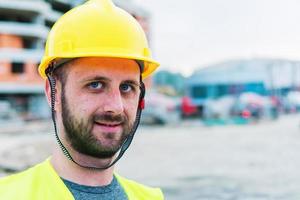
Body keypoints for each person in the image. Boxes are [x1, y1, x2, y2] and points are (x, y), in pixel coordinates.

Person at [0, 0, 163, 199]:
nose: (116, 107)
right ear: (53, 92)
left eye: (127, 87)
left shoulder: (149, 197)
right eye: (95, 84)